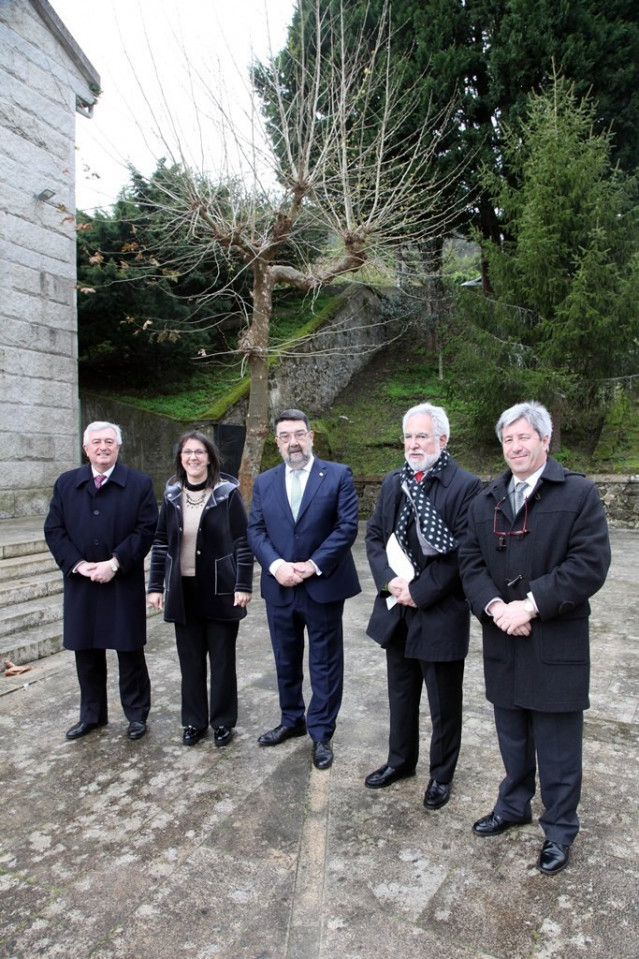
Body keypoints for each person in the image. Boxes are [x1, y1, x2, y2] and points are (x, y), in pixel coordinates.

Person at [459, 401, 610, 875]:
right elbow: (470, 563)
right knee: (512, 735)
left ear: (545, 440)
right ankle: (513, 805)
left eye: (524, 437)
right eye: (508, 439)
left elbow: (589, 564)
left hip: (555, 640)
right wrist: (496, 608)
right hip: (503, 638)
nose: (515, 447)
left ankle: (560, 829)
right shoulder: (485, 500)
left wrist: (528, 605)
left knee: (558, 745)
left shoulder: (578, 493)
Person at [364, 403, 482, 809]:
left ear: (442, 440)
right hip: (397, 608)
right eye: (409, 437)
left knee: (443, 703)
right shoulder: (394, 480)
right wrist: (389, 581)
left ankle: (441, 776)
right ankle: (400, 761)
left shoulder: (466, 486)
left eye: (422, 436)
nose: (413, 444)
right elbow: (374, 537)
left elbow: (463, 552)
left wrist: (420, 591)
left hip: (439, 610)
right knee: (400, 693)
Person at [247, 409, 361, 770]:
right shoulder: (264, 482)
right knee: (285, 658)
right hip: (280, 585)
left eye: (299, 434)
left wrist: (312, 565)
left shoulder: (338, 475)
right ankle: (291, 719)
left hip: (322, 584)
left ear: (311, 436)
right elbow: (256, 530)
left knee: (325, 662)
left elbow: (346, 527)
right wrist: (277, 566)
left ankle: (322, 732)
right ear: (277, 442)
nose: (292, 442)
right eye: (285, 436)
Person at [44, 421, 158, 741]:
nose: (103, 447)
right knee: (86, 652)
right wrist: (77, 564)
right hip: (81, 582)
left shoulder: (139, 484)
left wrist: (115, 563)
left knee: (129, 651)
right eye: (96, 442)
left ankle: (136, 715)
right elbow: (54, 529)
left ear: (118, 447)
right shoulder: (67, 483)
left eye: (109, 441)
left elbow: (146, 529)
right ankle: (91, 715)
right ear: (86, 449)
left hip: (122, 581)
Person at [147, 430, 253, 747]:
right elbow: (161, 541)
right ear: (180, 458)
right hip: (183, 591)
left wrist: (243, 584)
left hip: (221, 590)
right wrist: (155, 585)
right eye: (187, 452)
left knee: (222, 661)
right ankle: (194, 722)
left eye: (199, 452)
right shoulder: (171, 494)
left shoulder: (227, 492)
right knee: (190, 662)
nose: (193, 457)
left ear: (209, 457)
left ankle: (222, 722)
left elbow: (242, 541)